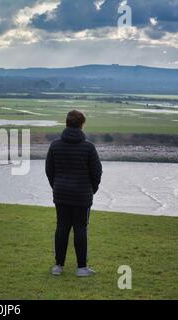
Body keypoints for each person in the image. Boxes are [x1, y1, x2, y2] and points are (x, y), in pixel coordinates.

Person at [45, 110, 102, 277]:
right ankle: (81, 268)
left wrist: (56, 186)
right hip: (82, 195)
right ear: (82, 124)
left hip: (61, 194)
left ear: (66, 123)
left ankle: (58, 266)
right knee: (80, 229)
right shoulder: (89, 147)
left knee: (61, 228)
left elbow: (49, 170)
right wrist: (92, 190)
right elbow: (97, 172)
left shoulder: (55, 145)